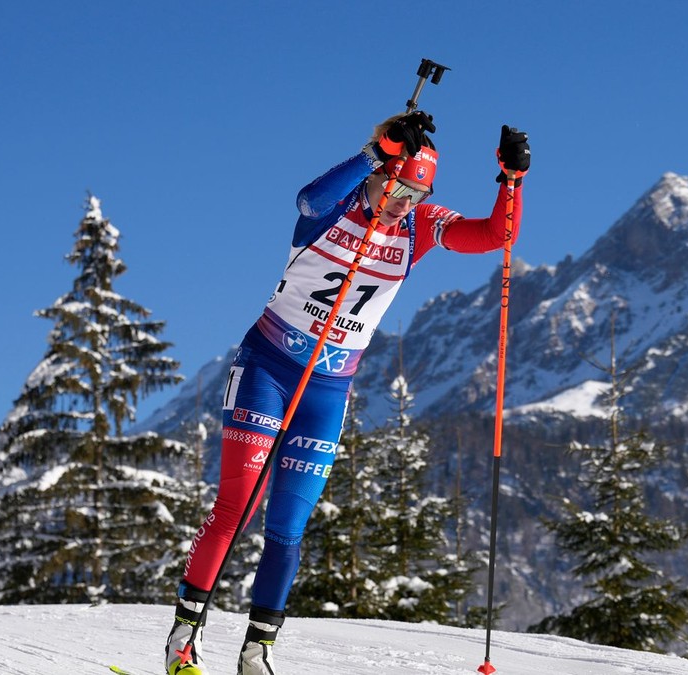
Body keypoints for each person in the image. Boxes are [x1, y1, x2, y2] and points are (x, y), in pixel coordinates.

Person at [165, 110, 531, 675]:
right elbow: (307, 200)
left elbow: (494, 235)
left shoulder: (417, 227)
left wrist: (510, 182)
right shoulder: (335, 207)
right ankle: (183, 642)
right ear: (379, 175)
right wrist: (376, 150)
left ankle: (257, 652)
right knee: (236, 508)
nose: (404, 201)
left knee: (288, 526)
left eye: (417, 191)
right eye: (397, 185)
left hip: (328, 387)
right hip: (270, 367)